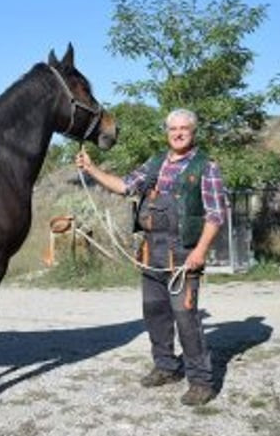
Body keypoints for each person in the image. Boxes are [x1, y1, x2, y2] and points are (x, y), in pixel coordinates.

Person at [75, 108, 226, 406]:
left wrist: (199, 251)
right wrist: (91, 169)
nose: (178, 133)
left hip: (183, 251)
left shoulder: (205, 167)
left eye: (184, 128)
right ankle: (166, 367)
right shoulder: (155, 163)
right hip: (151, 249)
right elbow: (124, 186)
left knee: (186, 317)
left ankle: (201, 381)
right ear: (167, 132)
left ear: (193, 132)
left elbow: (216, 215)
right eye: (173, 129)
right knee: (155, 312)